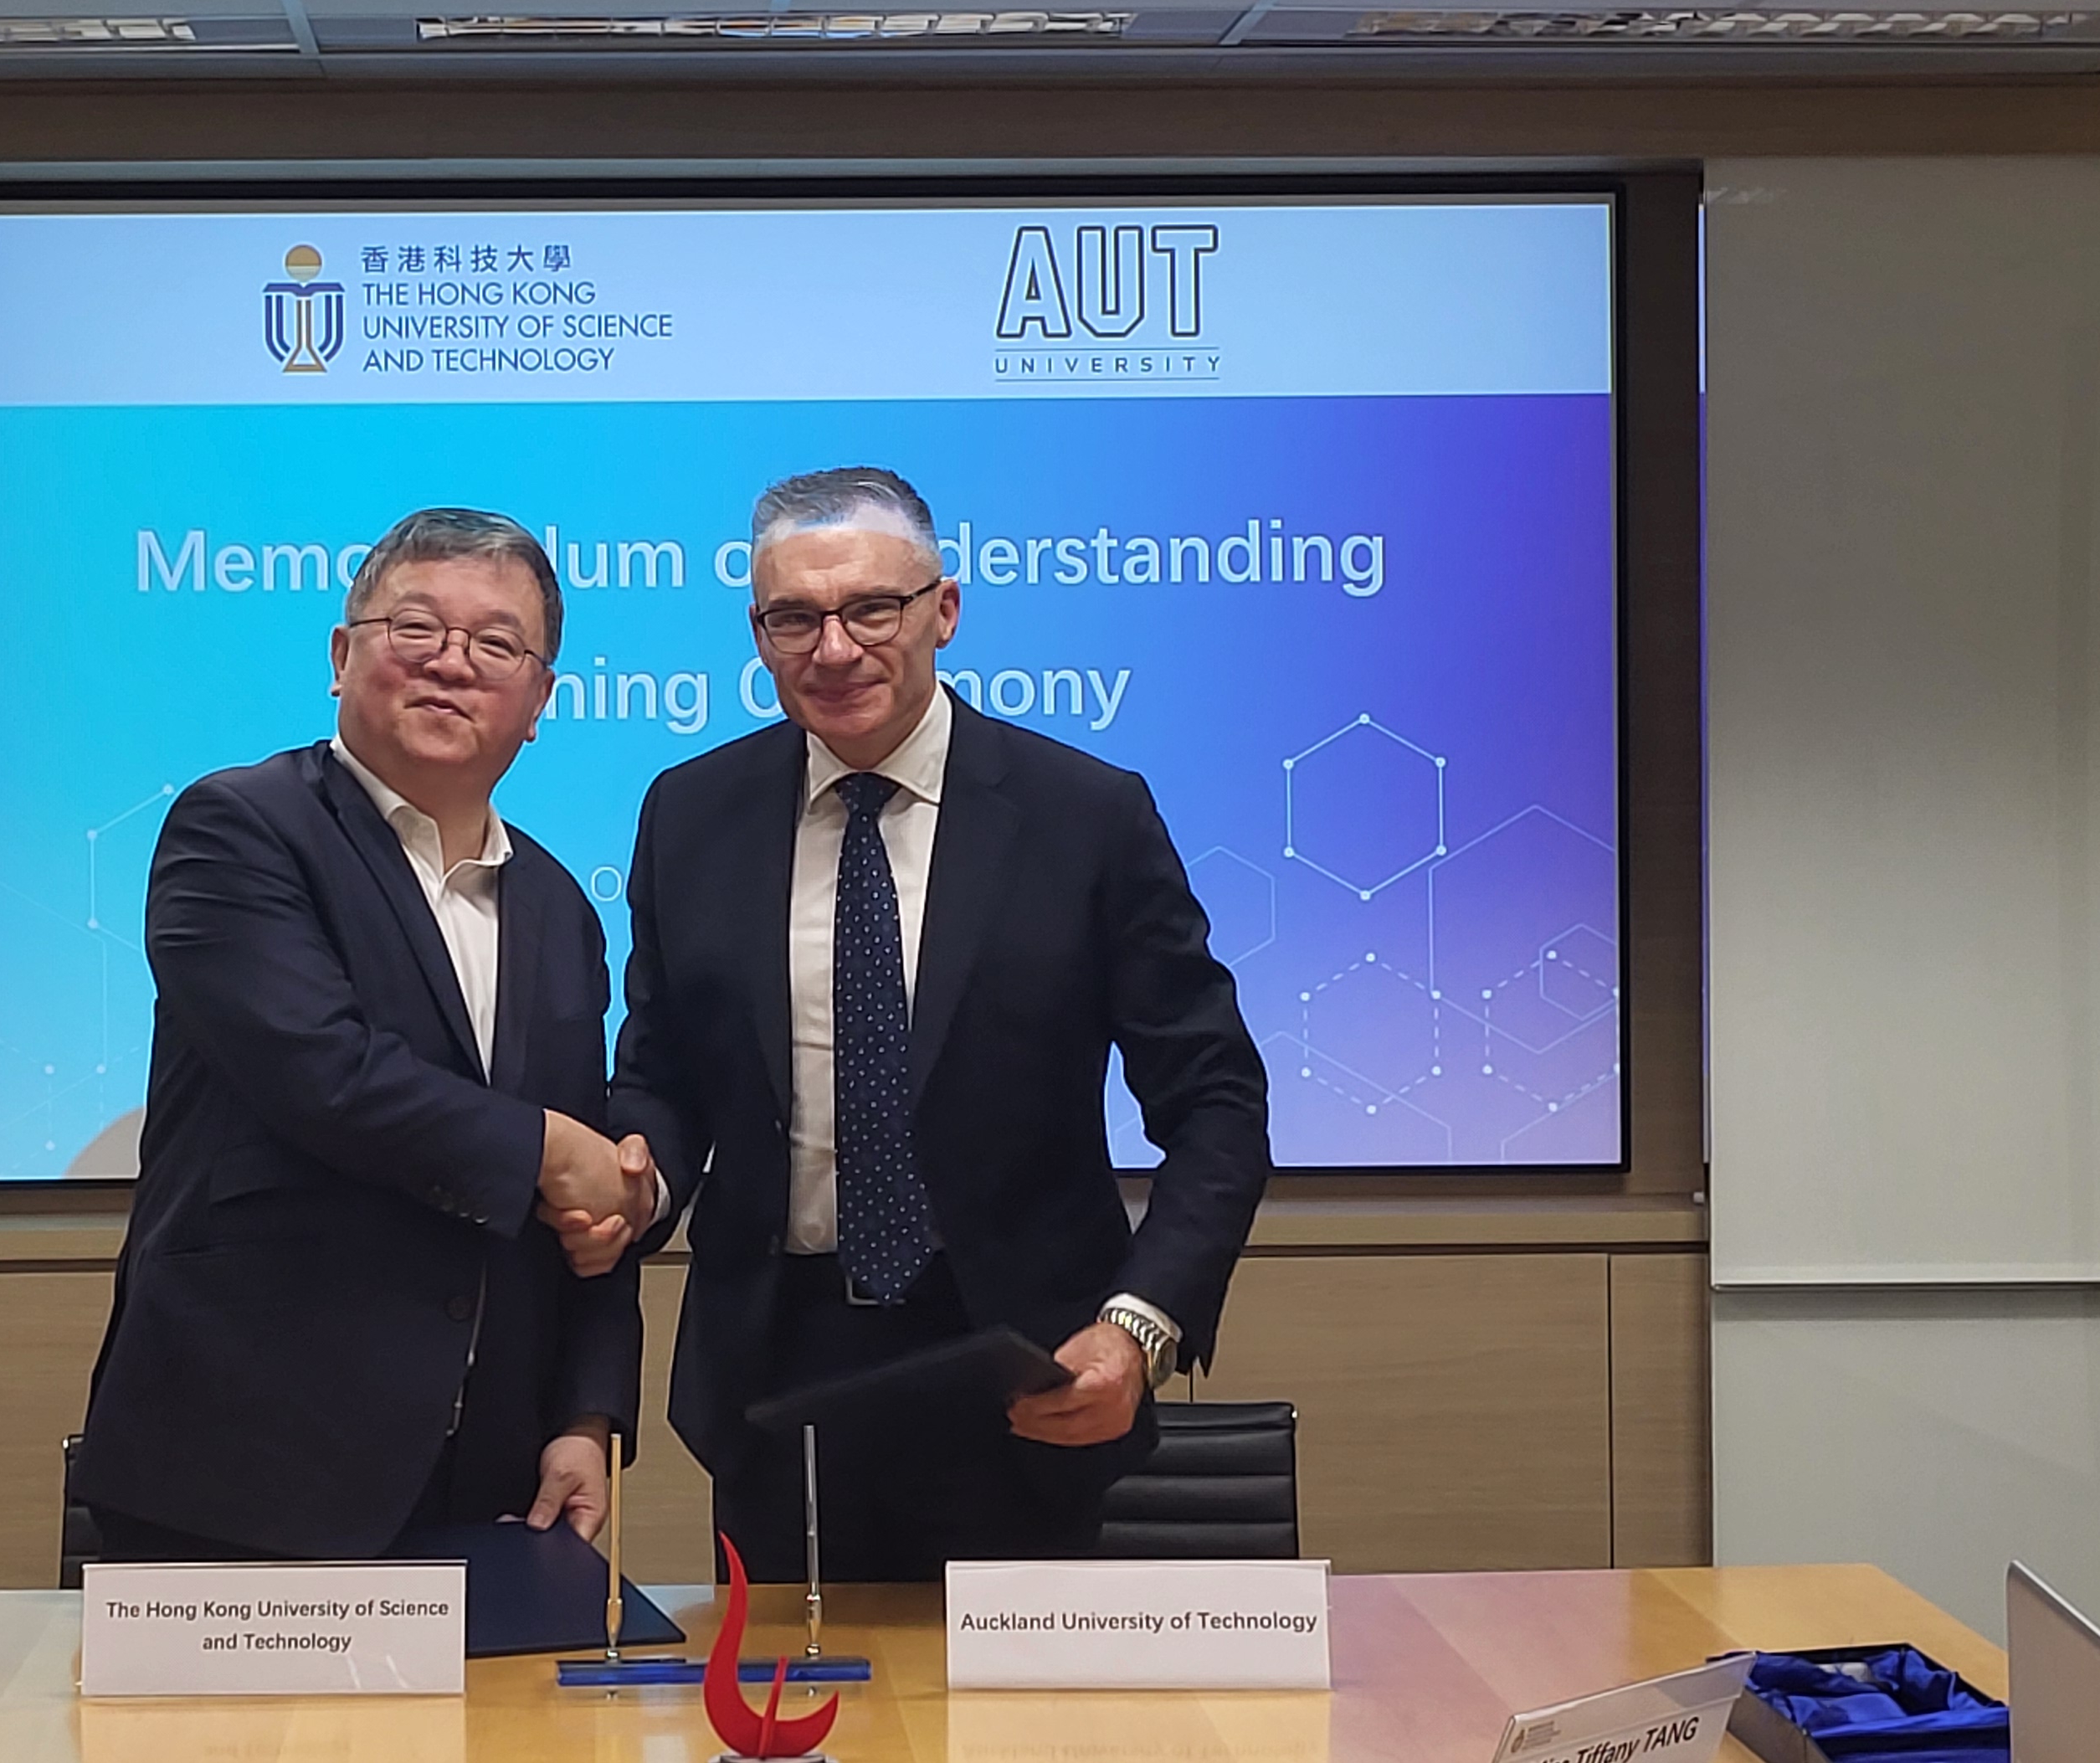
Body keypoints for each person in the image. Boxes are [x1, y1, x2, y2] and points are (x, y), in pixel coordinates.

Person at [609, 466, 1271, 1581]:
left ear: (943, 611)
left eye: (873, 608)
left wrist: (1139, 1329)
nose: (834, 648)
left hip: (1023, 1369)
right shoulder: (690, 812)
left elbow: (1215, 1104)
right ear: (758, 634)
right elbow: (664, 1076)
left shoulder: (1086, 815)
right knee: (792, 1727)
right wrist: (636, 1174)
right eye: (794, 619)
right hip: (778, 1375)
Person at [74, 507, 660, 1561]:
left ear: (539, 702)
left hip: (488, 1474)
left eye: (494, 645)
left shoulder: (560, 904)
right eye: (416, 630)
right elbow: (324, 1073)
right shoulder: (241, 828)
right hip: (245, 1466)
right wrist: (545, 1149)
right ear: (343, 657)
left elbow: (585, 1202)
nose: (450, 666)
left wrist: (586, 1412)